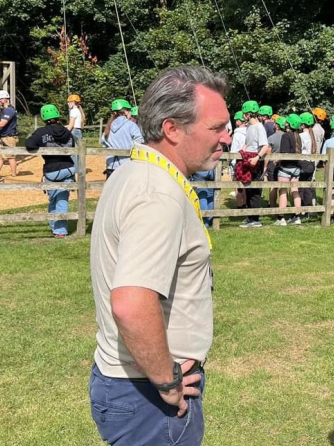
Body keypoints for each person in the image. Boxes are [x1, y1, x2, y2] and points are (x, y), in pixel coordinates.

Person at [89, 66, 231, 446]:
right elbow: (131, 303)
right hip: (148, 396)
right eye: (217, 127)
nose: (227, 138)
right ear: (172, 129)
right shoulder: (158, 194)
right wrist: (167, 382)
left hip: (127, 383)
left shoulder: (134, 172)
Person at [25, 104, 75, 238]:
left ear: (43, 117)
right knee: (62, 198)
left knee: (54, 199)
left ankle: (59, 230)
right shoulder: (67, 132)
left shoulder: (42, 132)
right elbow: (73, 146)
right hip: (69, 168)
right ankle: (57, 228)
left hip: (52, 170)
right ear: (57, 116)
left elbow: (29, 145)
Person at [239, 101, 271, 228]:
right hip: (248, 159)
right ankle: (249, 216)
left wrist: (257, 158)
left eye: (244, 113)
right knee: (248, 188)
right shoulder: (248, 127)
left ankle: (256, 219)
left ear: (248, 114)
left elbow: (265, 146)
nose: (243, 116)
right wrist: (240, 154)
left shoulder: (259, 127)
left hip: (255, 160)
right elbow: (246, 143)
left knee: (255, 189)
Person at [102, 98, 144, 179]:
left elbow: (103, 142)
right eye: (129, 111)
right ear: (126, 112)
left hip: (111, 166)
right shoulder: (131, 125)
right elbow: (140, 140)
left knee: (112, 190)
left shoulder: (108, 126)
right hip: (127, 166)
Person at [275, 114, 303, 226]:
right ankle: (297, 216)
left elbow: (284, 153)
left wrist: (277, 161)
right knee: (295, 191)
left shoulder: (286, 136)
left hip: (286, 167)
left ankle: (281, 217)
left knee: (282, 191)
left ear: (289, 123)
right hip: (296, 167)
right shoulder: (298, 136)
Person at [298, 112, 318, 217]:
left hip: (303, 162)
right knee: (308, 187)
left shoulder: (301, 136)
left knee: (301, 187)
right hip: (311, 162)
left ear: (303, 124)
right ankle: (309, 208)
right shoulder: (311, 135)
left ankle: (302, 210)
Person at [266, 116, 285, 210]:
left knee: (273, 186)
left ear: (277, 126)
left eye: (275, 123)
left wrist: (265, 166)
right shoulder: (286, 137)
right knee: (282, 186)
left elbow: (268, 154)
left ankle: (272, 207)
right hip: (284, 163)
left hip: (272, 164)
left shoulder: (271, 138)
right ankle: (282, 207)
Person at [229, 110, 247, 211]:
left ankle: (239, 204)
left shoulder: (237, 134)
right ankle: (245, 203)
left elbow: (234, 150)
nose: (235, 122)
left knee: (237, 185)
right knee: (245, 184)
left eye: (236, 120)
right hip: (246, 161)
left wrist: (231, 160)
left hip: (237, 162)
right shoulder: (249, 132)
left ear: (240, 121)